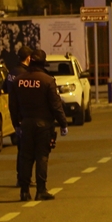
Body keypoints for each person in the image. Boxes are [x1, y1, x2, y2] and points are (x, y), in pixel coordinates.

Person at [10, 48, 68, 200]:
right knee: (42, 156)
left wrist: (16, 124)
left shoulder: (18, 81)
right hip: (44, 125)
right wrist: (63, 124)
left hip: (26, 124)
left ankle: (24, 191)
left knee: (25, 157)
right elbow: (56, 105)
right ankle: (41, 190)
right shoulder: (48, 80)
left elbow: (13, 106)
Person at [4, 45, 32, 181]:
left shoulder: (11, 72)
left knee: (21, 149)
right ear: (28, 58)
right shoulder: (25, 74)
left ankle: (20, 176)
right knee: (28, 149)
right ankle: (24, 177)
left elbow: (4, 88)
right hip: (25, 113)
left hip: (14, 112)